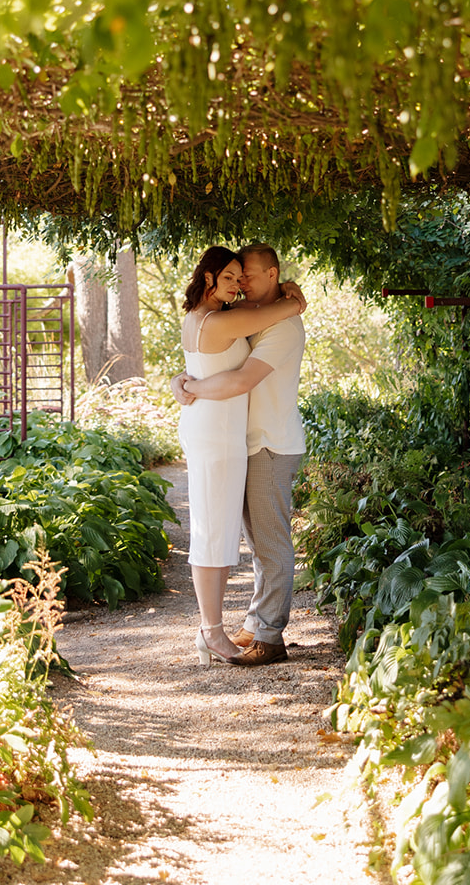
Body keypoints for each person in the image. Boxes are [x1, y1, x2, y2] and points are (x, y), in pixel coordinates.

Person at [173, 244, 305, 667]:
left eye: (246, 275)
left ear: (272, 273)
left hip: (269, 442)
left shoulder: (282, 324)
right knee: (253, 541)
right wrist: (185, 380)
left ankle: (268, 636)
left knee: (270, 545)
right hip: (238, 440)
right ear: (211, 278)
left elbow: (239, 380)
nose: (241, 283)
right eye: (233, 276)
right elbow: (210, 353)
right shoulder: (241, 317)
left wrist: (188, 387)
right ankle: (250, 623)